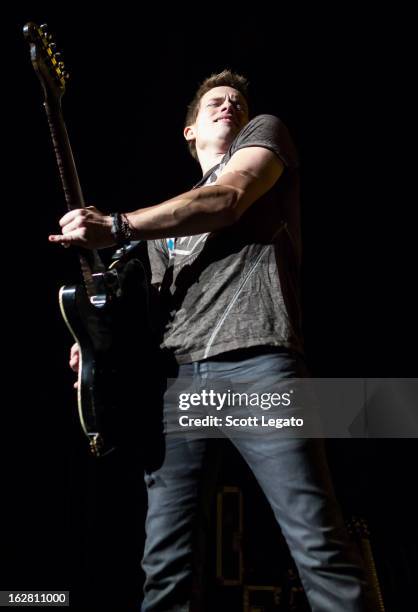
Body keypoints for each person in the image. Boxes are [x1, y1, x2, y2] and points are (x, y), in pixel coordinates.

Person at [52, 70, 370, 611]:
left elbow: (228, 199)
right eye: (216, 102)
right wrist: (97, 344)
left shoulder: (264, 139)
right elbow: (143, 322)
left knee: (317, 541)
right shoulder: (161, 228)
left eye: (238, 102)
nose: (230, 106)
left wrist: (120, 225)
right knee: (165, 565)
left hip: (259, 366)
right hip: (180, 388)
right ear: (188, 131)